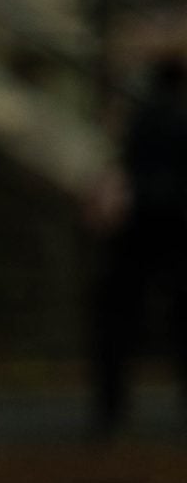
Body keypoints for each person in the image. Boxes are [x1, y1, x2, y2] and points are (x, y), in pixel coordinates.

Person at [90, 57, 187, 434]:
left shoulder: (141, 120)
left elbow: (123, 166)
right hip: (176, 227)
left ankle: (110, 409)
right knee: (179, 320)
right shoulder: (177, 119)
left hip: (138, 226)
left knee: (117, 319)